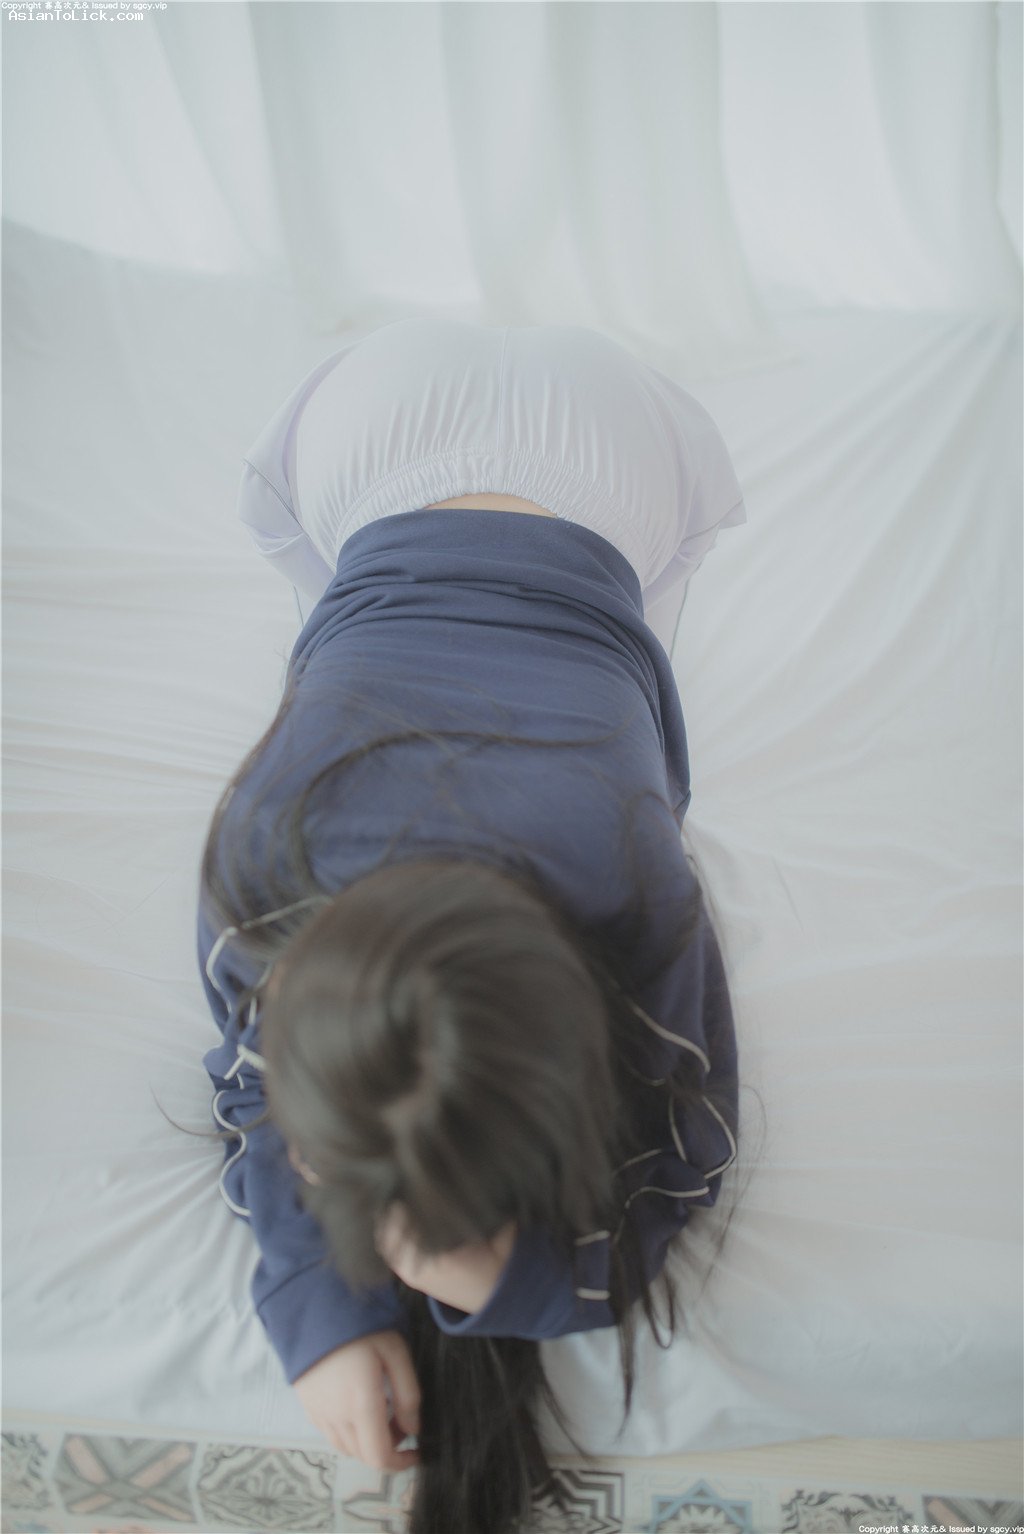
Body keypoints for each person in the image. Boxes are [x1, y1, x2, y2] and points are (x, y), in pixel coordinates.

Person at [196, 317, 746, 1534]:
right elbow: (252, 1094)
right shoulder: (257, 864)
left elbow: (692, 1152)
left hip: (572, 445)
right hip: (429, 431)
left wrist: (496, 1283)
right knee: (372, 627)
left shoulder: (634, 873)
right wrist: (326, 1307)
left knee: (627, 651)